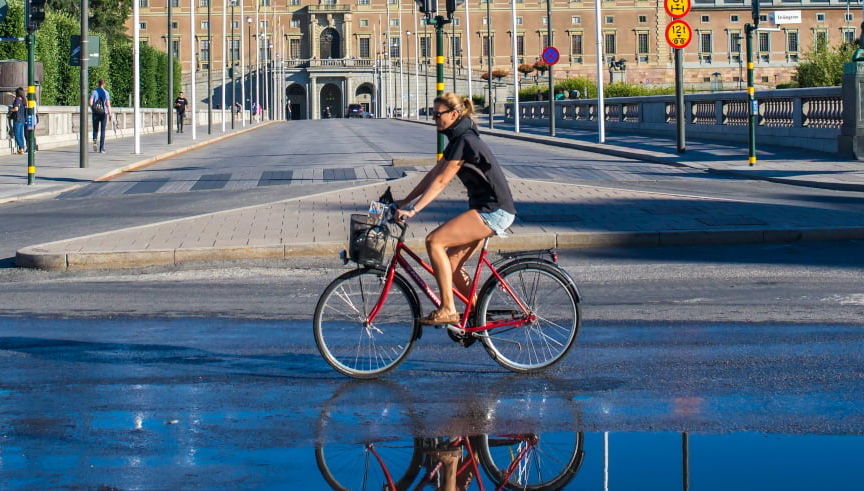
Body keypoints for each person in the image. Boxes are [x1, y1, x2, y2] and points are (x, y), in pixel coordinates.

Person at [395, 93, 517, 325]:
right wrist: (404, 202)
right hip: (489, 209)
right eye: (433, 114)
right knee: (450, 265)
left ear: (454, 114)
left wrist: (414, 210)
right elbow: (433, 175)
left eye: (437, 114)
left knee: (434, 242)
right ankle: (479, 317)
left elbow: (441, 182)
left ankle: (448, 308)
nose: (434, 119)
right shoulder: (459, 139)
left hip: (493, 211)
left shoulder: (464, 141)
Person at [88, 79, 112, 153]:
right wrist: (110, 114)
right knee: (103, 131)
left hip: (95, 113)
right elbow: (108, 104)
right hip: (103, 113)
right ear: (104, 84)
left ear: (98, 84)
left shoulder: (94, 92)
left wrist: (94, 109)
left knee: (95, 130)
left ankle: (95, 143)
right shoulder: (106, 93)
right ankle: (101, 148)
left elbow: (90, 102)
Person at [10, 87, 27, 155]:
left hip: (17, 119)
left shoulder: (17, 99)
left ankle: (22, 148)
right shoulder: (24, 100)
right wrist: (12, 95)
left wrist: (10, 110)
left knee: (17, 134)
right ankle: (21, 149)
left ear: (17, 93)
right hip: (22, 119)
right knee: (20, 134)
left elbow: (16, 109)